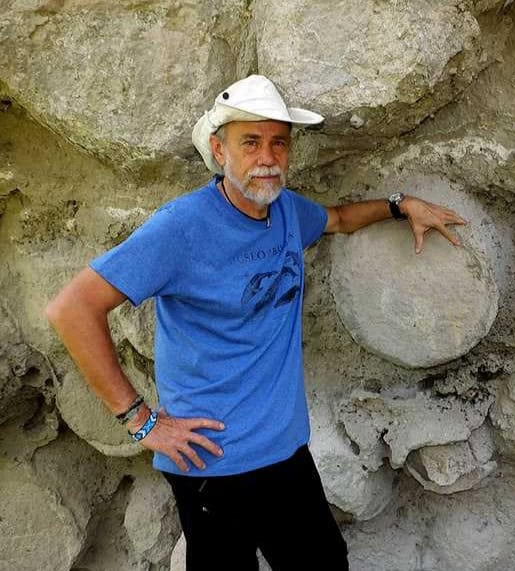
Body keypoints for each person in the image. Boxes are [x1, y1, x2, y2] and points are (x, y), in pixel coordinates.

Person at [45, 74, 466, 571]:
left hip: (284, 451)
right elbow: (71, 309)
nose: (268, 156)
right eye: (251, 142)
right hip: (213, 462)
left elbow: (338, 218)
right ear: (220, 151)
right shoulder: (182, 227)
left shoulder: (284, 210)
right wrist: (140, 422)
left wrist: (400, 206)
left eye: (278, 143)